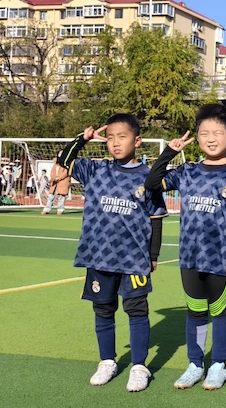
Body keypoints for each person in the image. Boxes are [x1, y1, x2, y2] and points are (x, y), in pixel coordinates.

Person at [146, 104, 226, 392]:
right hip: (189, 257)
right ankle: (195, 364)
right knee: (195, 311)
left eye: (218, 132)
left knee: (220, 310)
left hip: (221, 258)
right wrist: (169, 152)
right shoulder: (188, 171)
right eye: (204, 133)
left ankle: (218, 365)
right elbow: (152, 183)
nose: (211, 138)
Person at [57, 115, 167, 392]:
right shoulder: (95, 169)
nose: (115, 143)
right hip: (99, 255)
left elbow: (156, 218)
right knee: (103, 309)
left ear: (137, 141)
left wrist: (153, 255)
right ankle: (107, 361)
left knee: (137, 309)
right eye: (110, 138)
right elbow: (63, 161)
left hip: (134, 257)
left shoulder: (149, 178)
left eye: (122, 137)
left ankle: (139, 366)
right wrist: (82, 138)